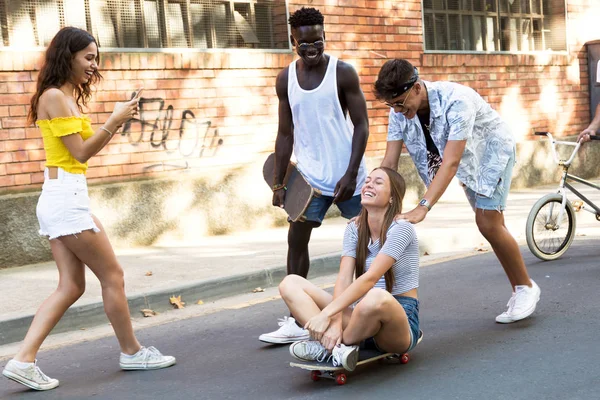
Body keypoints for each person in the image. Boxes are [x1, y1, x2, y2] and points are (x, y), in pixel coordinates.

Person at [2, 27, 175, 391]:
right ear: (68, 56)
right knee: (113, 276)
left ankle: (23, 360)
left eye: (96, 58)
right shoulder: (54, 96)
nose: (94, 65)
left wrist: (113, 121)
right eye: (89, 57)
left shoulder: (63, 96)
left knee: (71, 285)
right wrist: (114, 121)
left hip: (64, 196)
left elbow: (76, 153)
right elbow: (80, 152)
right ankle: (131, 351)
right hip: (65, 199)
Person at [376, 59, 540, 324]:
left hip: (491, 152)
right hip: (466, 164)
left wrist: (423, 207)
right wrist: (375, 205)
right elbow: (390, 163)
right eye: (391, 105)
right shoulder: (398, 112)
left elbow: (451, 162)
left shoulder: (457, 100)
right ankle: (522, 286)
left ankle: (526, 288)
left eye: (400, 102)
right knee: (492, 224)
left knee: (487, 222)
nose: (396, 110)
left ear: (417, 88)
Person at [259, 7, 369, 344]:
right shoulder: (285, 79)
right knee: (296, 242)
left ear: (324, 37)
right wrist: (279, 183)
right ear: (293, 41)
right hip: (310, 179)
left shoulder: (343, 73)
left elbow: (362, 125)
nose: (311, 48)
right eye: (304, 43)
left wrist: (351, 174)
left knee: (368, 245)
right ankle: (297, 319)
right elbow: (284, 134)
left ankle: (371, 310)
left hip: (348, 177)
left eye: (317, 41)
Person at [278, 167, 420, 371]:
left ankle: (333, 345)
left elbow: (370, 278)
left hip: (397, 322)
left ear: (392, 197)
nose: (369, 184)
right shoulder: (355, 228)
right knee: (290, 282)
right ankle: (336, 346)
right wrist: (335, 322)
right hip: (360, 319)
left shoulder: (402, 229)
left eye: (378, 182)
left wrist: (325, 314)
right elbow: (344, 279)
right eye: (368, 180)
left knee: (375, 296)